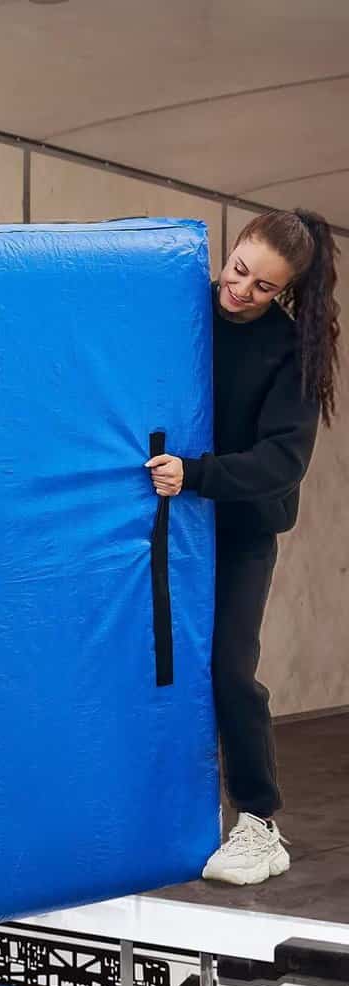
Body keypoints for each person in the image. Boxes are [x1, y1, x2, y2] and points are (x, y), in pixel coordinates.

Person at [146, 208, 340, 886]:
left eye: (263, 288)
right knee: (147, 663)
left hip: (239, 530)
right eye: (238, 271)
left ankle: (259, 823)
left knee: (230, 670)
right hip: (165, 522)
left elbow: (282, 461)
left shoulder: (289, 352)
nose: (241, 292)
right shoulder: (179, 309)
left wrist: (198, 476)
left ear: (284, 291)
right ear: (229, 253)